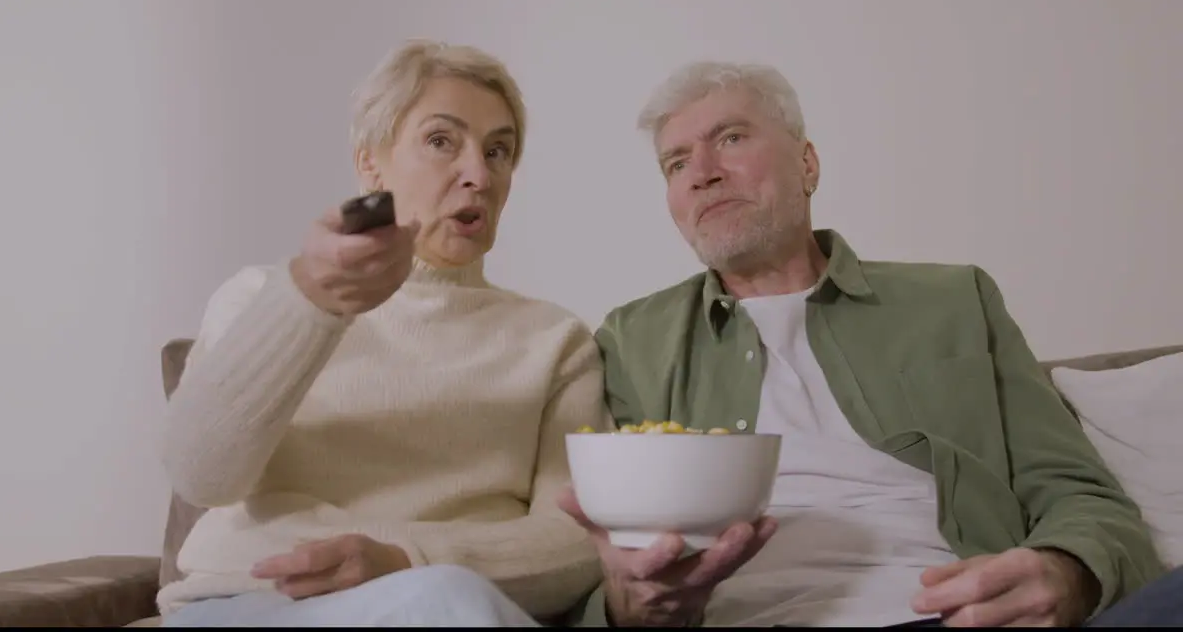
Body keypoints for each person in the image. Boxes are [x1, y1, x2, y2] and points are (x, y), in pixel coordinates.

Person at [554, 60, 1182, 627]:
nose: (702, 175)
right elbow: (611, 558)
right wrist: (627, 610)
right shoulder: (631, 340)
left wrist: (1066, 573)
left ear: (807, 163)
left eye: (731, 138)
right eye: (675, 163)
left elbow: (1078, 490)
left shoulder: (956, 301)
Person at [156, 39, 605, 627]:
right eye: (442, 141)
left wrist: (409, 560)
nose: (478, 174)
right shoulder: (263, 297)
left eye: (499, 151)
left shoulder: (555, 340)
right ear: (370, 162)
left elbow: (580, 538)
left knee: (444, 600)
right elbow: (200, 474)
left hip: (455, 604)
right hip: (254, 604)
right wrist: (312, 304)